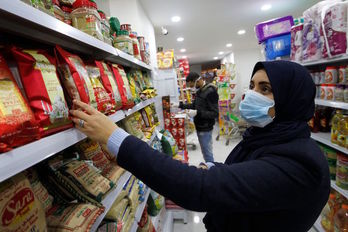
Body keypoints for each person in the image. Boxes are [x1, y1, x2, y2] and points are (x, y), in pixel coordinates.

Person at [70, 60, 330, 232]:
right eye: (252, 86)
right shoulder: (267, 138)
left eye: (266, 89)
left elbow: (200, 190)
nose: (251, 94)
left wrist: (114, 137)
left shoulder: (301, 164)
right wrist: (217, 168)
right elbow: (254, 177)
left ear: (291, 99)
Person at [179, 72, 219, 163]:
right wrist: (180, 105)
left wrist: (198, 112)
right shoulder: (200, 91)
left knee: (207, 152)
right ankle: (209, 166)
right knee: (205, 151)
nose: (191, 87)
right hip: (200, 126)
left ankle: (211, 170)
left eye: (191, 84)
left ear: (197, 80)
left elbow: (215, 113)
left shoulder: (211, 92)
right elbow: (194, 105)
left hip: (206, 128)